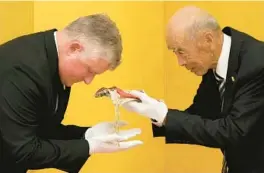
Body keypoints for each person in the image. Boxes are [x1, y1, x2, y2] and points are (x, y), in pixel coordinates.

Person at [122, 6, 264, 173]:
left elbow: (234, 131)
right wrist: (154, 112)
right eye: (175, 52)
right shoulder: (215, 62)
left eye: (181, 51)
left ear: (208, 40)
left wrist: (166, 116)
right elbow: (201, 115)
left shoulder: (257, 64)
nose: (180, 62)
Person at [0, 14, 143, 173]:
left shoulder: (52, 59)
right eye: (89, 70)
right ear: (74, 48)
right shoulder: (22, 72)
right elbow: (23, 150)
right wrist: (88, 146)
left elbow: (41, 130)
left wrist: (86, 134)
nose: (89, 81)